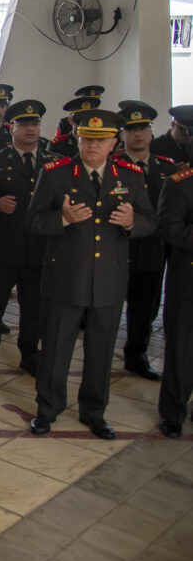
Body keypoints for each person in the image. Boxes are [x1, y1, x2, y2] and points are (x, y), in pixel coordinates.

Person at [27, 109, 154, 440]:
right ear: (78, 139)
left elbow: (150, 221)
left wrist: (131, 223)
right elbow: (33, 221)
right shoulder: (55, 174)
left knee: (101, 350)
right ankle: (48, 409)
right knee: (55, 348)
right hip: (64, 277)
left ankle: (94, 411)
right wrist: (63, 219)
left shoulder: (131, 175)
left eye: (100, 140)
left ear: (114, 142)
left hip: (108, 280)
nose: (93, 146)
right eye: (87, 139)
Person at [0, 100, 57, 380]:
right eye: (24, 124)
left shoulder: (54, 162)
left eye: (35, 124)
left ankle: (29, 355)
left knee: (34, 308)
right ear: (12, 128)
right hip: (2, 247)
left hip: (39, 249)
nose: (30, 129)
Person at [113, 101, 178, 380]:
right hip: (116, 248)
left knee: (145, 309)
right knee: (107, 307)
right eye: (131, 129)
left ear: (151, 132)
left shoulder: (166, 168)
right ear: (122, 134)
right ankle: (99, 357)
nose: (138, 134)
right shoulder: (112, 166)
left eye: (143, 128)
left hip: (151, 250)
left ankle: (136, 357)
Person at [157, 165, 193, 437]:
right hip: (187, 279)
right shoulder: (180, 183)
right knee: (180, 348)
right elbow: (170, 229)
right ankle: (173, 413)